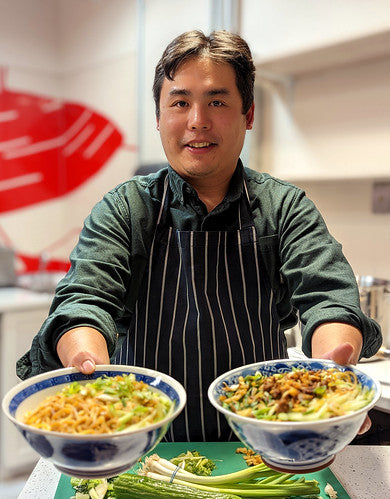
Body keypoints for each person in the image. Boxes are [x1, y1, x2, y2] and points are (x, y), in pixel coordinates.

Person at [17, 30, 381, 442]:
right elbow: (85, 300)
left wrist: (330, 381)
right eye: (180, 102)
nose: (197, 121)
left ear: (248, 114)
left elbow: (328, 297)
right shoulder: (126, 208)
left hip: (266, 440)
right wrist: (92, 374)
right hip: (142, 446)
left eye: (217, 101)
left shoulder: (284, 207)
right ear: (158, 117)